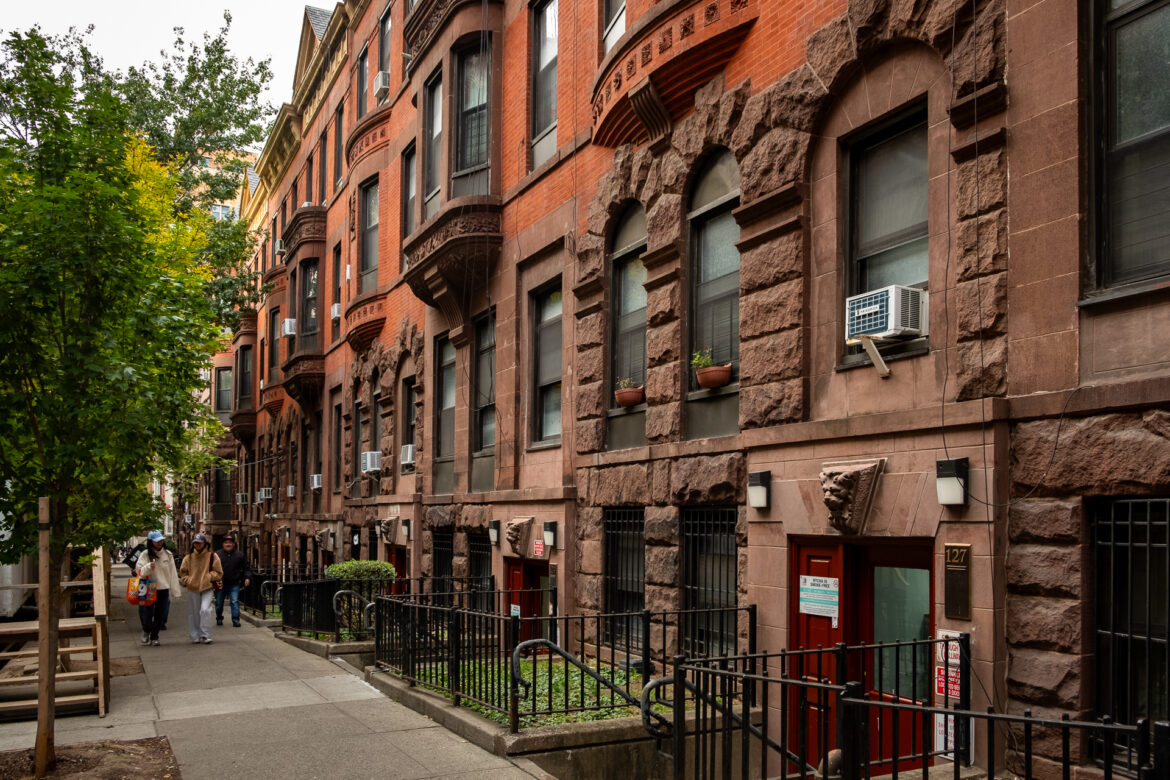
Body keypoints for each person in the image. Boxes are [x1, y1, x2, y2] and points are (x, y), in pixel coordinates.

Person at [134, 530, 180, 647]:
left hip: (163, 588)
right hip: (149, 587)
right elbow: (139, 571)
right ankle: (146, 631)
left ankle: (155, 636)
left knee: (160, 614)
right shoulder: (145, 554)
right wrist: (149, 566)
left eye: (161, 540)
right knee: (147, 613)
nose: (159, 543)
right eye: (156, 541)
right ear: (151, 542)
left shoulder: (168, 554)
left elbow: (172, 573)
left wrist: (175, 591)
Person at [179, 532, 223, 644]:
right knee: (194, 612)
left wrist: (209, 577)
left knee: (205, 610)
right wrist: (188, 580)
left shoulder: (212, 556)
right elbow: (183, 573)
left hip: (207, 587)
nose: (198, 545)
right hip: (193, 588)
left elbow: (219, 572)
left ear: (205, 543)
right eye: (196, 543)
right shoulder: (188, 557)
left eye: (200, 543)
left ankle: (205, 634)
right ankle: (195, 635)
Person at [214, 534, 251, 627]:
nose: (228, 544)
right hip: (221, 583)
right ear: (223, 544)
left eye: (230, 543)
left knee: (234, 601)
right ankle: (219, 617)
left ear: (234, 544)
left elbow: (246, 568)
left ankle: (235, 620)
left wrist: (247, 577)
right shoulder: (217, 555)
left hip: (234, 583)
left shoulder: (240, 555)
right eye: (226, 542)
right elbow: (212, 568)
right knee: (219, 602)